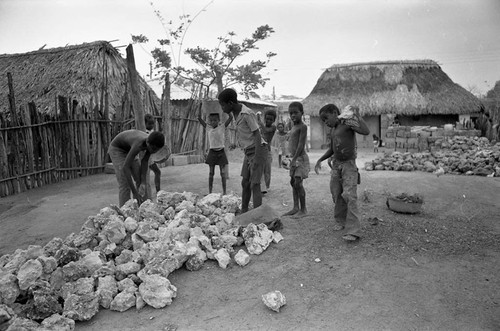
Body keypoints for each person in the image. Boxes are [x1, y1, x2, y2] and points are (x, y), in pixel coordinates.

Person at [314, 104, 370, 241]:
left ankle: (353, 230)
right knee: (336, 193)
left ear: (334, 113)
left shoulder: (347, 124)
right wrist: (320, 160)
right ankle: (340, 220)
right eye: (323, 121)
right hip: (336, 165)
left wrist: (356, 116)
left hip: (348, 165)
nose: (326, 122)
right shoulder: (333, 130)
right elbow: (332, 149)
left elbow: (366, 131)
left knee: (349, 195)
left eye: (326, 118)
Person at [218, 88, 266, 214]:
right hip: (248, 151)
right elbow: (242, 132)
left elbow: (257, 134)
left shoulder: (247, 113)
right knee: (245, 182)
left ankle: (258, 216)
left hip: (257, 149)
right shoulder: (235, 114)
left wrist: (256, 157)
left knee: (254, 184)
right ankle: (244, 210)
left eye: (222, 105)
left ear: (230, 103)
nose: (222, 108)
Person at [108, 129, 165, 207]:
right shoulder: (139, 144)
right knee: (124, 183)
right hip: (117, 150)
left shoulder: (152, 143)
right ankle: (125, 211)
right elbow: (125, 167)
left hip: (129, 149)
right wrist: (135, 192)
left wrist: (143, 182)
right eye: (153, 149)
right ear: (148, 143)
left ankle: (142, 207)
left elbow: (145, 161)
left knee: (140, 180)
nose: (153, 152)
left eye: (156, 151)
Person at [282, 101, 309, 218]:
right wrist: (289, 157)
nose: (293, 115)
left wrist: (294, 159)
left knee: (298, 183)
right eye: (291, 113)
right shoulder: (293, 127)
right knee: (293, 182)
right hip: (294, 158)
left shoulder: (303, 127)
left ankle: (303, 209)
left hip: (300, 159)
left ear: (302, 113)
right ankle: (295, 207)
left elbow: (301, 145)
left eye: (295, 113)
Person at [197, 112, 233, 195]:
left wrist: (228, 111)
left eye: (215, 120)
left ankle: (224, 192)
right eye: (211, 120)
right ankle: (210, 192)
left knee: (223, 173)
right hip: (212, 151)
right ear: (209, 121)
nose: (213, 122)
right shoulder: (208, 128)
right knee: (211, 173)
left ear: (218, 120)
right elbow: (199, 119)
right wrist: (200, 112)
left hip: (221, 151)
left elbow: (230, 118)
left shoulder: (222, 127)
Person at [257, 109, 277, 194]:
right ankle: (262, 187)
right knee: (260, 170)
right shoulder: (262, 126)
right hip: (261, 150)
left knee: (267, 170)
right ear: (265, 118)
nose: (268, 121)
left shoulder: (273, 127)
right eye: (267, 119)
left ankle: (267, 187)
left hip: (268, 151)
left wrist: (259, 121)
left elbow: (265, 131)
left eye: (271, 119)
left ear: (273, 120)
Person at [144, 114, 162, 195]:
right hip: (145, 157)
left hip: (150, 158)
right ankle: (147, 192)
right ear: (144, 124)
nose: (151, 125)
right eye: (149, 124)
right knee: (146, 175)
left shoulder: (152, 132)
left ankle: (158, 190)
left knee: (157, 172)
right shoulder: (144, 132)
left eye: (152, 124)